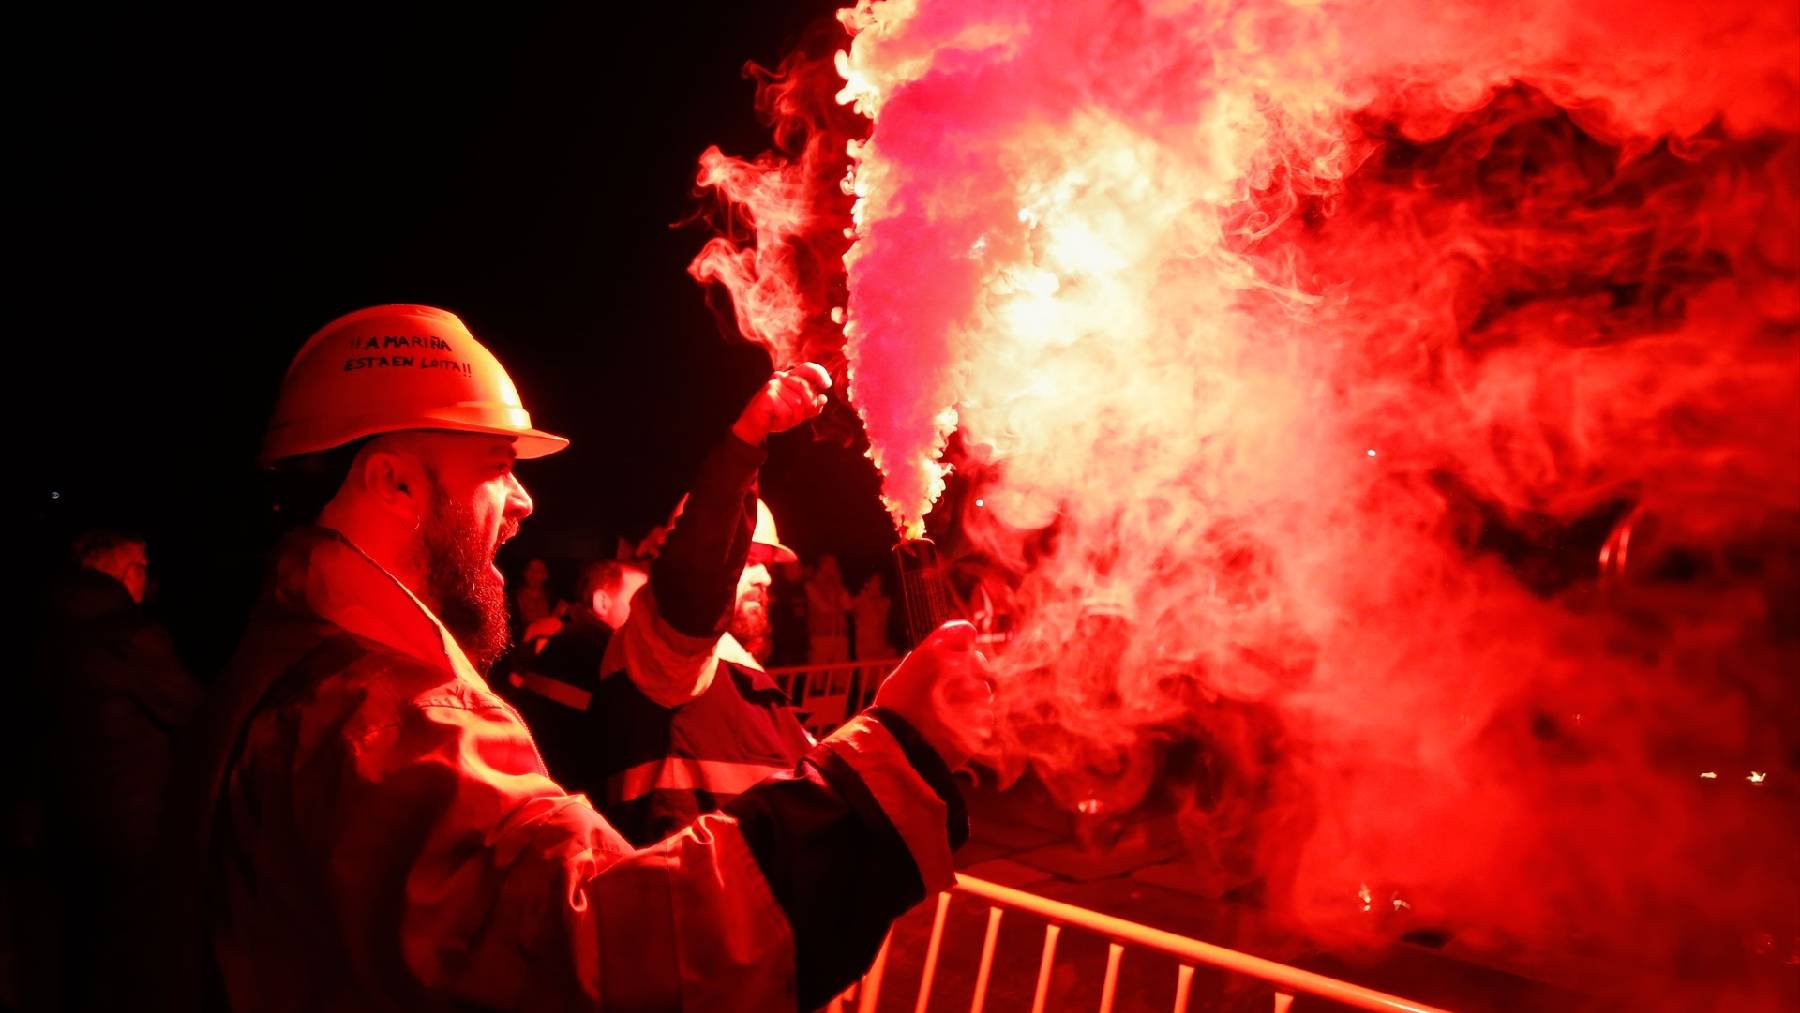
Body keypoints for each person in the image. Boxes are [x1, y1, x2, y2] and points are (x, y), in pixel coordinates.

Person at [194, 303, 991, 1011]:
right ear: (393, 483)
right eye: (500, 467)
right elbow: (605, 959)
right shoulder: (382, 726)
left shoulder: (301, 665)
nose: (524, 500)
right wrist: (895, 761)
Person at [584, 490, 817, 844]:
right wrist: (745, 447)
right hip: (690, 889)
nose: (766, 578)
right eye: (749, 558)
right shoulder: (665, 652)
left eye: (767, 565)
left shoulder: (733, 661)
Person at [38, 529, 204, 1008]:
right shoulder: (131, 637)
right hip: (131, 824)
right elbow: (192, 711)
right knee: (128, 951)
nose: (146, 581)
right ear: (124, 572)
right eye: (142, 568)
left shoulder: (47, 624)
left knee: (78, 938)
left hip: (65, 813)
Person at [806, 554, 853, 663]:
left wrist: (839, 585)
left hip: (840, 636)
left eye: (834, 564)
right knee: (819, 675)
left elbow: (848, 606)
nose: (834, 567)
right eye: (830, 564)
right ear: (822, 566)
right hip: (821, 638)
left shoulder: (837, 585)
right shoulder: (811, 585)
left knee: (841, 675)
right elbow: (823, 608)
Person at [854, 573, 895, 661]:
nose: (878, 584)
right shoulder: (858, 601)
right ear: (866, 584)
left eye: (879, 581)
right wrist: (866, 597)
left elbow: (879, 619)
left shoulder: (885, 602)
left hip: (881, 647)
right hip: (865, 648)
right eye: (875, 581)